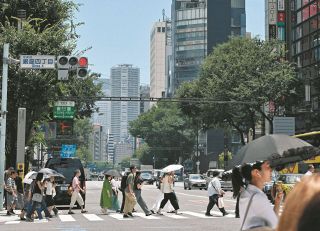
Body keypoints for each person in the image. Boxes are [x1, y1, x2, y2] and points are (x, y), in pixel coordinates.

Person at [232, 161, 283, 230]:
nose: (271, 171)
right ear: (256, 172)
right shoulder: (258, 197)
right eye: (267, 168)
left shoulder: (247, 193)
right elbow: (274, 226)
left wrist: (277, 202)